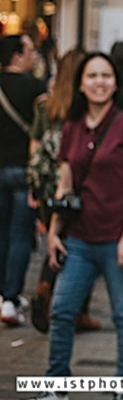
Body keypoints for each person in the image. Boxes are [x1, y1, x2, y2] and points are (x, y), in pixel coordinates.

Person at [18, 52, 123, 400]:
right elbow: (66, 186)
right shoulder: (72, 126)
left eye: (106, 75)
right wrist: (53, 230)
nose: (99, 81)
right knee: (61, 311)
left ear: (115, 82)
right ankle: (56, 389)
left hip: (118, 238)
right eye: (92, 75)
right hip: (78, 236)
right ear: (80, 83)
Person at [26, 48, 101, 334]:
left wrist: (34, 185)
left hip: (48, 184)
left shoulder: (46, 105)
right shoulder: (85, 110)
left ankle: (46, 288)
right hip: (77, 183)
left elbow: (34, 148)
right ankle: (74, 309)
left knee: (58, 238)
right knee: (80, 242)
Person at [1, 34, 47, 327]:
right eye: (29, 51)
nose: (34, 56)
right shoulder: (35, 88)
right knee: (20, 235)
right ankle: (10, 298)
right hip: (23, 171)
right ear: (17, 56)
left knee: (2, 233)